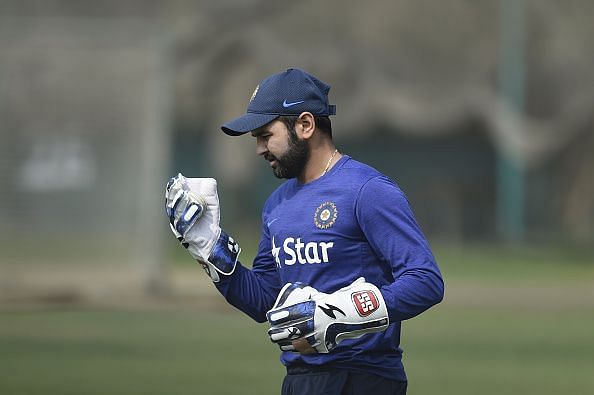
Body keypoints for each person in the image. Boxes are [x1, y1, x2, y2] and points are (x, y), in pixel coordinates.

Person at [165, 68, 444, 395]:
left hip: (363, 378)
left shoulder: (367, 191)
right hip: (300, 380)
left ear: (306, 125)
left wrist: (341, 314)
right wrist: (209, 251)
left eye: (266, 135)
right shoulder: (276, 205)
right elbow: (264, 301)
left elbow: (425, 280)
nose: (259, 148)